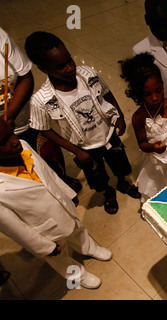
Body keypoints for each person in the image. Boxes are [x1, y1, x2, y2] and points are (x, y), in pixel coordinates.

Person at [24, 31, 140, 215]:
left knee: (121, 164)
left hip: (109, 134)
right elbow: (44, 129)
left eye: (70, 60)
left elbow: (107, 92)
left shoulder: (88, 74)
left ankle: (122, 182)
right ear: (44, 69)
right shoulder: (42, 100)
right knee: (97, 177)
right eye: (61, 66)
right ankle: (108, 192)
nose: (70, 68)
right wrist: (76, 151)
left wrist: (119, 116)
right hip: (85, 148)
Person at [0, 118, 112, 289]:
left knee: (77, 228)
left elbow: (48, 173)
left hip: (62, 206)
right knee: (58, 257)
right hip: (43, 229)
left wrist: (67, 193)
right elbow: (15, 228)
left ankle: (87, 247)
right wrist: (43, 247)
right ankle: (77, 274)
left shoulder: (24, 146)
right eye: (3, 142)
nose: (14, 141)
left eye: (11, 133)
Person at [0, 28, 81, 193]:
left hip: (23, 120)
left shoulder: (1, 37)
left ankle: (60, 181)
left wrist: (9, 118)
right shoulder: (43, 97)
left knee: (48, 157)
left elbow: (25, 77)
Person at [120, 52, 167, 204]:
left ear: (163, 86)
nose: (154, 97)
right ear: (139, 93)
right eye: (147, 94)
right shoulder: (138, 117)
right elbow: (142, 144)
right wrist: (152, 147)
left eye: (158, 90)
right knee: (158, 186)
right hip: (155, 163)